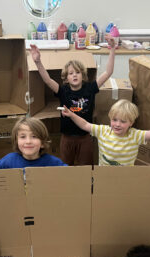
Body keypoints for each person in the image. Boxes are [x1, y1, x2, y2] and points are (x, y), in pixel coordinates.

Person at [30, 34, 115, 166]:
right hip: (67, 138)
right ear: (66, 77)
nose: (74, 75)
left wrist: (112, 49)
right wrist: (37, 62)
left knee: (86, 169)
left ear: (83, 75)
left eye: (77, 72)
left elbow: (108, 72)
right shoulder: (63, 90)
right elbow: (47, 80)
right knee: (66, 169)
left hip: (85, 138)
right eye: (70, 73)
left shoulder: (90, 88)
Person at [61, 99, 150, 166]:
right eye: (114, 120)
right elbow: (85, 124)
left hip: (125, 176)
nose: (117, 124)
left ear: (131, 123)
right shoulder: (103, 131)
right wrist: (72, 115)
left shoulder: (135, 135)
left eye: (123, 121)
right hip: (103, 176)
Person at [0, 117, 67, 169]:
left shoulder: (53, 163)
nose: (28, 141)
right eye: (23, 137)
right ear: (16, 141)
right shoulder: (9, 160)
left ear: (42, 143)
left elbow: (70, 174)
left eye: (34, 136)